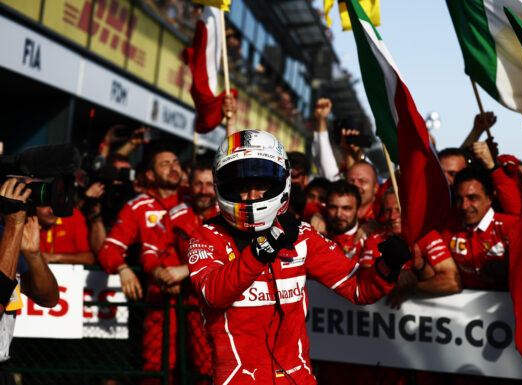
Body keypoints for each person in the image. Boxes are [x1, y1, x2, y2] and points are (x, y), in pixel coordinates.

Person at [187, 130, 409, 385]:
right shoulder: (207, 236)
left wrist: (387, 267)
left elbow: (358, 288)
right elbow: (214, 293)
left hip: (297, 377)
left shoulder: (301, 236)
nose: (251, 197)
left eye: (261, 186)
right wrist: (264, 248)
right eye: (241, 187)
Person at [139, 159, 216, 384]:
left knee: (209, 370)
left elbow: (233, 259)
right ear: (188, 185)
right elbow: (150, 250)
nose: (203, 191)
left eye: (209, 184)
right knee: (161, 364)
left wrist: (186, 270)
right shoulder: (176, 214)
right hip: (183, 300)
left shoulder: (229, 215)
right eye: (198, 184)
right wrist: (158, 272)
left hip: (217, 305)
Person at [97, 145, 184, 301]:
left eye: (176, 162)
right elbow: (109, 249)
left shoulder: (196, 198)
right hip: (155, 298)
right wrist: (122, 268)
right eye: (165, 164)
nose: (173, 167)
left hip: (197, 294)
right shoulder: (137, 207)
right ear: (150, 175)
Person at [0, 178, 59, 364]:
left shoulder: (7, 232)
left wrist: (33, 255)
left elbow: (49, 298)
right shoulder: (10, 230)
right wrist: (13, 226)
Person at [324, 180, 365, 261]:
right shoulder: (318, 235)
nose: (338, 214)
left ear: (359, 210)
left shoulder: (368, 239)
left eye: (346, 208)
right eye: (333, 207)